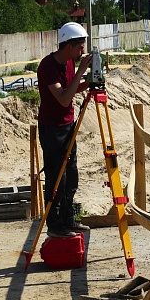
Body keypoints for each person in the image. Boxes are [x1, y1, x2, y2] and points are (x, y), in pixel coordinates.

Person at [37, 22, 93, 238]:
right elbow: (63, 99)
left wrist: (89, 81)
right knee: (55, 177)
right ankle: (55, 224)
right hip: (52, 128)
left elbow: (72, 89)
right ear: (68, 46)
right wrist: (81, 71)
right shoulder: (47, 67)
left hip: (68, 124)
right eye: (80, 47)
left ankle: (69, 219)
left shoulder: (70, 63)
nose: (82, 51)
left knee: (71, 175)